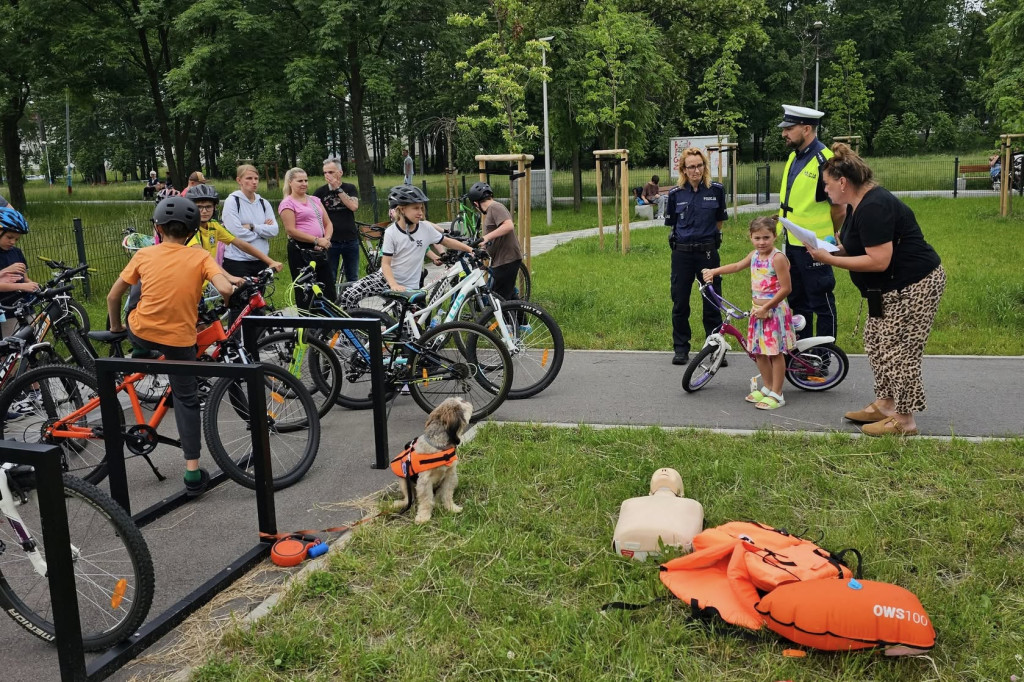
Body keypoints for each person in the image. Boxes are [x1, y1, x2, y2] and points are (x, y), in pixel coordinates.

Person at [807, 143, 945, 437]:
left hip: (913, 286)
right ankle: (885, 404)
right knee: (876, 342)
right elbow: (856, 248)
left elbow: (879, 261)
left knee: (899, 352)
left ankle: (905, 421)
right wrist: (831, 249)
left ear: (843, 182)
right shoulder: (857, 205)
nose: (825, 191)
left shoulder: (874, 206)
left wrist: (829, 259)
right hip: (885, 291)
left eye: (827, 185)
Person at [106, 197, 238, 497]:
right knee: (187, 399)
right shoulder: (201, 256)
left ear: (158, 227)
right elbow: (226, 288)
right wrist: (227, 302)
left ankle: (140, 349)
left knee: (138, 290)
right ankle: (192, 472)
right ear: (192, 232)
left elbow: (114, 297)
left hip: (141, 332)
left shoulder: (144, 254)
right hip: (180, 340)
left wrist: (117, 328)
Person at [702, 217, 796, 410]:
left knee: (775, 353)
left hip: (773, 312)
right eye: (757, 238)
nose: (762, 242)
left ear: (774, 236)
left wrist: (767, 307)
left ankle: (778, 393)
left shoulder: (777, 258)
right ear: (750, 237)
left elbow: (786, 288)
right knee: (759, 352)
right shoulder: (754, 255)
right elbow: (737, 266)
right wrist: (714, 271)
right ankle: (768, 387)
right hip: (758, 312)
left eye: (766, 237)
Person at [339, 185, 473, 308]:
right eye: (415, 208)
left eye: (421, 208)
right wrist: (393, 285)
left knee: (409, 332)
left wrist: (470, 249)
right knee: (348, 296)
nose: (420, 212)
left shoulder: (425, 227)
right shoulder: (391, 232)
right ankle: (355, 332)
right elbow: (385, 264)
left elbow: (446, 241)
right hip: (385, 280)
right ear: (402, 209)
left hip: (410, 288)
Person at [776, 104, 846, 340]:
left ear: (806, 129)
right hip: (793, 244)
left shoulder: (825, 161)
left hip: (815, 246)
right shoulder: (794, 157)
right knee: (798, 302)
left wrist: (830, 235)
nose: (784, 133)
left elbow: (839, 208)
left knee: (821, 302)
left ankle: (825, 358)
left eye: (789, 128)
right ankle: (805, 357)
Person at [664, 148, 729, 366]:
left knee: (712, 301)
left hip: (707, 253)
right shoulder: (675, 194)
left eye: (700, 165)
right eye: (691, 166)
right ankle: (681, 348)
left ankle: (714, 349)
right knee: (680, 302)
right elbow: (673, 223)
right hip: (682, 254)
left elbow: (719, 221)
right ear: (683, 169)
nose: (696, 170)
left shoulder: (716, 190)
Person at [186, 184, 282, 272]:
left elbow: (239, 243)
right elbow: (206, 259)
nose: (204, 211)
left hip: (207, 279)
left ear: (214, 207)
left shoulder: (214, 226)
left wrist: (270, 261)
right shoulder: (188, 231)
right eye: (199, 207)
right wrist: (230, 278)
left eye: (208, 206)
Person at [279, 167, 335, 309]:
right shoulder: (288, 203)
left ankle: (329, 323)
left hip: (320, 248)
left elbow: (328, 223)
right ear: (291, 182)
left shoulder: (314, 200)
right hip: (301, 250)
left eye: (306, 180)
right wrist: (315, 240)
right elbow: (290, 230)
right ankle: (308, 325)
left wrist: (325, 240)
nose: (304, 184)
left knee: (328, 288)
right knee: (305, 290)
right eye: (300, 181)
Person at [220, 164, 279, 279]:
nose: (254, 182)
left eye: (256, 178)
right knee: (239, 296)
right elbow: (237, 234)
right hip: (238, 261)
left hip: (261, 260)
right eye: (249, 178)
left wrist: (253, 227)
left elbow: (274, 231)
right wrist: (262, 233)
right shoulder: (232, 202)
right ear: (239, 180)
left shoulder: (263, 203)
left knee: (259, 296)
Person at [467, 181, 523, 302]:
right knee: (510, 296)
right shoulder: (492, 210)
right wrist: (482, 249)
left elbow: (508, 225)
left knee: (500, 300)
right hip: (504, 259)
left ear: (476, 203)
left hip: (507, 260)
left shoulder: (495, 207)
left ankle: (508, 321)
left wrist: (486, 238)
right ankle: (522, 321)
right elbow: (496, 236)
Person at [313, 160, 360, 285]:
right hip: (330, 241)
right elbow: (315, 216)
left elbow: (354, 206)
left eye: (331, 172)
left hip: (350, 239)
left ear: (340, 173)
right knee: (330, 276)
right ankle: (332, 301)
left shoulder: (349, 188)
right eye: (325, 173)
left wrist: (337, 189)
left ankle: (351, 302)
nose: (327, 175)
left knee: (353, 277)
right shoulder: (320, 192)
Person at [0, 207, 40, 338]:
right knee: (12, 346)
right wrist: (22, 286)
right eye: (9, 237)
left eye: (16, 239)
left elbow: (24, 278)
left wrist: (31, 284)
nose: (12, 242)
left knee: (35, 339)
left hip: (24, 305)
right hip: (7, 310)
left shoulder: (16, 252)